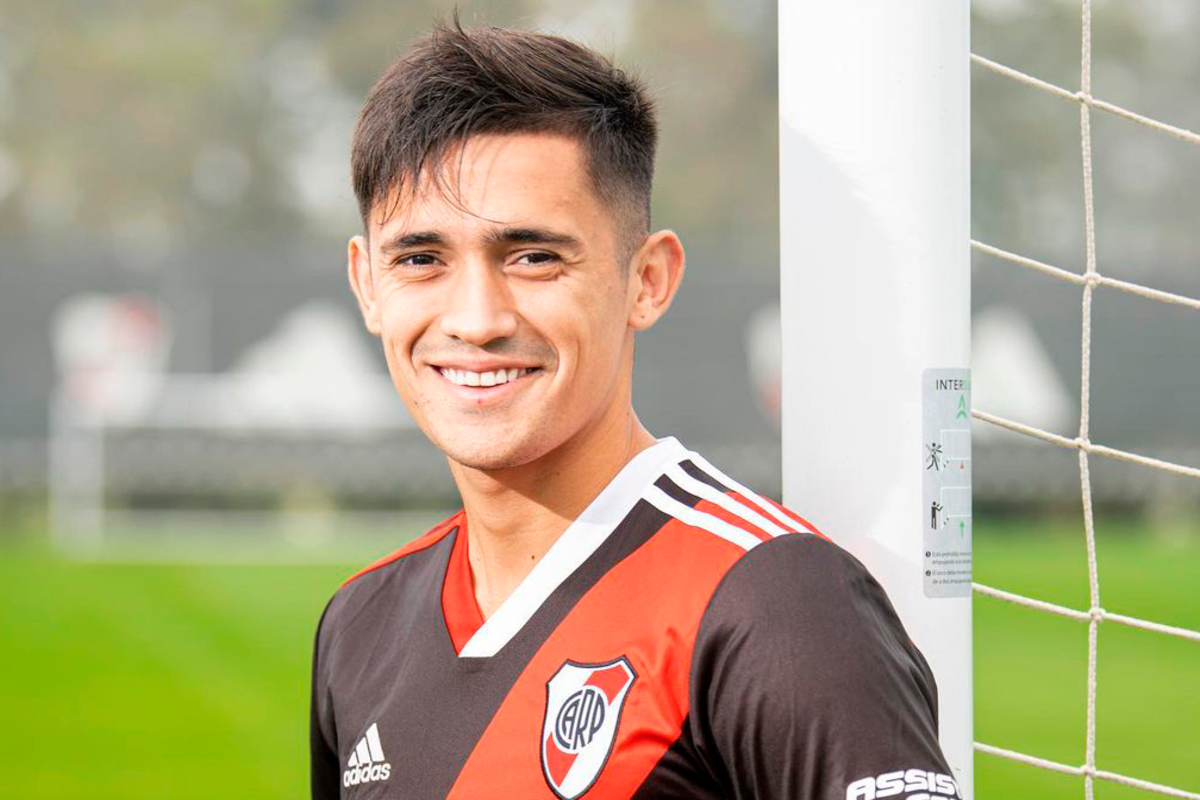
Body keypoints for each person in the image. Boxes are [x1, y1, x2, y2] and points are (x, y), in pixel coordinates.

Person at [311, 14, 961, 800]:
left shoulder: (775, 602)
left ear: (647, 280)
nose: (476, 319)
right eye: (421, 259)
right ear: (367, 284)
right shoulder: (359, 625)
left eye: (533, 257)